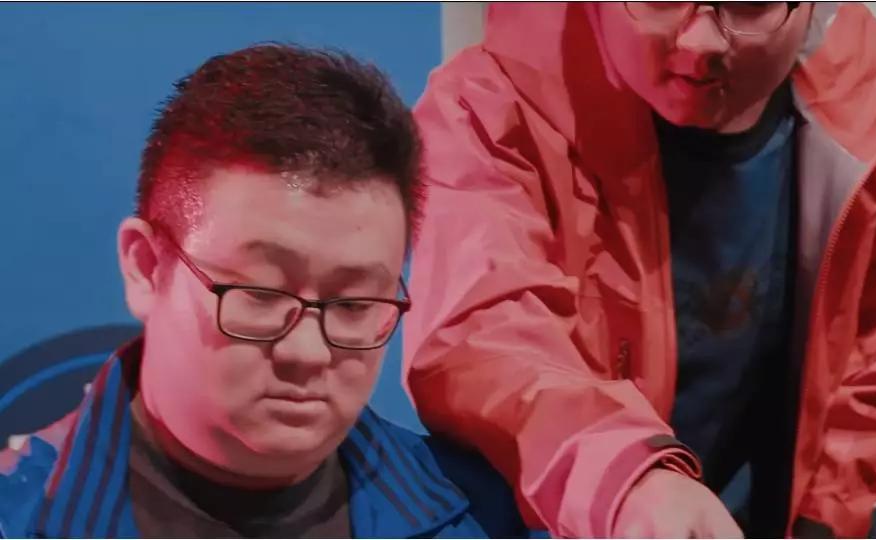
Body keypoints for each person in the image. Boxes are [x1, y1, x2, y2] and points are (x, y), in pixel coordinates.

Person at [403, 2, 876, 538]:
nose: (700, 41)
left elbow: (868, 347)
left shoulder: (872, 112)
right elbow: (484, 336)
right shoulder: (491, 108)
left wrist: (824, 522)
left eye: (749, 3)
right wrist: (625, 478)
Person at [0, 44, 533, 539]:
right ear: (145, 268)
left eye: (353, 305)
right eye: (261, 293)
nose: (307, 352)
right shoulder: (19, 515)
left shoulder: (495, 516)